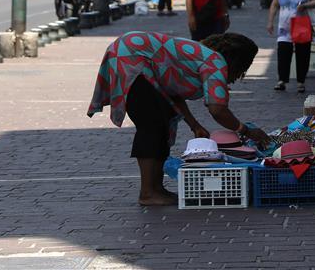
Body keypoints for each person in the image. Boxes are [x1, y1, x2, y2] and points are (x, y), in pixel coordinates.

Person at [87, 31, 272, 206]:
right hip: (132, 57)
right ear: (237, 61)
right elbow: (218, 109)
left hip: (130, 52)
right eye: (243, 69)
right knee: (152, 125)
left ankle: (156, 189)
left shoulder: (204, 57)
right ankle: (148, 193)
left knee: (162, 121)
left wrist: (194, 124)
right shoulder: (216, 62)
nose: (239, 75)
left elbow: (173, 93)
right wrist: (246, 130)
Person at [267, 0, 315, 93]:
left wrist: (305, 5)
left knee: (303, 54)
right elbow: (274, 5)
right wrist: (270, 21)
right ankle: (282, 80)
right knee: (283, 53)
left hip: (301, 25)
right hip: (284, 28)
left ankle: (300, 81)